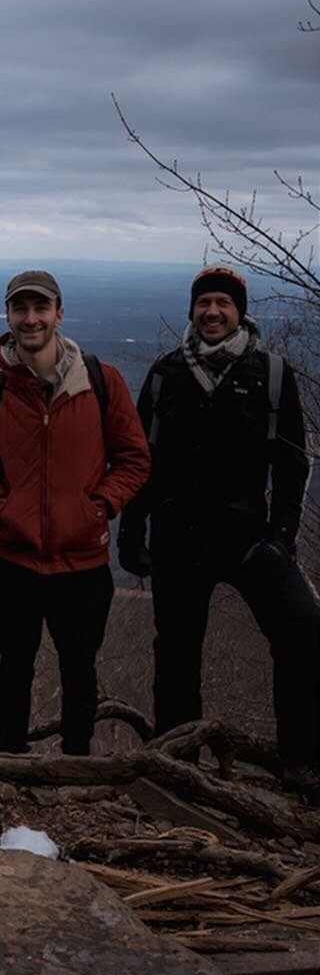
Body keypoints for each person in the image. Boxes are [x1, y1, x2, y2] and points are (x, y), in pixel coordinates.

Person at [118, 266, 318, 794]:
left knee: (302, 630)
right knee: (178, 654)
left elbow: (294, 463)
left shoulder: (271, 374)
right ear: (192, 310)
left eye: (222, 304)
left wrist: (283, 535)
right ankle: (177, 765)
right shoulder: (166, 375)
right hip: (178, 536)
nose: (212, 311)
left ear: (239, 312)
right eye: (203, 302)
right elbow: (142, 460)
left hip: (249, 537)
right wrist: (131, 532)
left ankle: (302, 760)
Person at [0, 269, 149, 756]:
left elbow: (134, 458)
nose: (30, 319)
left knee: (79, 668)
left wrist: (98, 507)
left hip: (83, 559)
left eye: (40, 308)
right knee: (15, 668)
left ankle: (76, 763)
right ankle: (12, 761)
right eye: (20, 309)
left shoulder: (100, 381)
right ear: (7, 316)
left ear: (59, 314)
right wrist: (6, 511)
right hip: (15, 558)